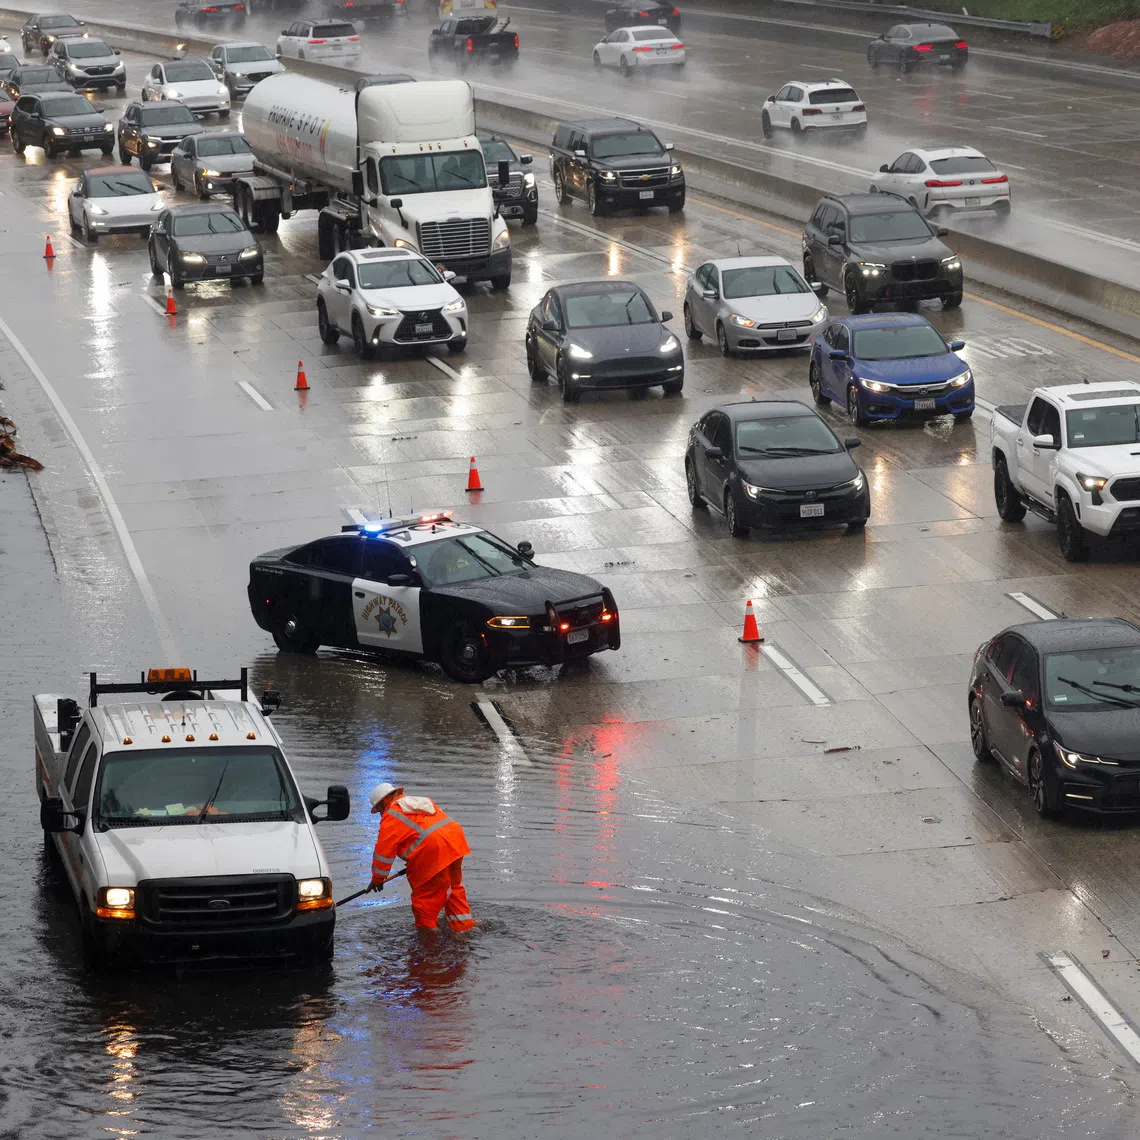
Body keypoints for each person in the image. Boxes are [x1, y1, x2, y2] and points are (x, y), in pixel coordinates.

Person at [369, 782, 475, 933]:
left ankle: (428, 945)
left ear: (384, 802)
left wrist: (377, 880)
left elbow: (383, 853)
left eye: (379, 810)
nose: (380, 814)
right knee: (453, 889)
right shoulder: (418, 802)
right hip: (455, 842)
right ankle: (464, 930)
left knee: (424, 904)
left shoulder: (391, 813)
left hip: (433, 852)